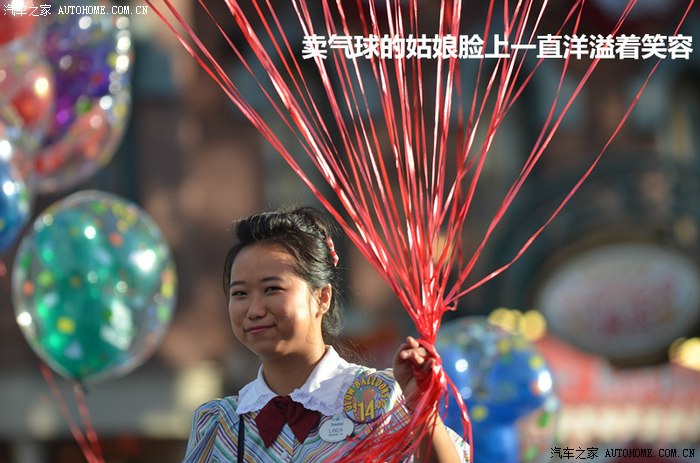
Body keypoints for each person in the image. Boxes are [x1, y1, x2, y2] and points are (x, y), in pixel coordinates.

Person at [183, 206, 470, 462]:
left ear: (322, 298)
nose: (255, 309)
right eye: (240, 293)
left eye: (272, 289)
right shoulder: (219, 424)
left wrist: (421, 408)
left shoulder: (378, 397)